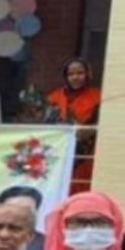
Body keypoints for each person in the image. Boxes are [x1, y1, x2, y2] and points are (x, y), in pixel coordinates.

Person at [47, 57, 101, 193]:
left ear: (88, 74)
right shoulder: (54, 97)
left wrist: (84, 131)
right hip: (59, 152)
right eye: (70, 74)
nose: (75, 77)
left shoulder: (98, 97)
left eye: (80, 73)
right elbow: (47, 126)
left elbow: (101, 126)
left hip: (86, 155)